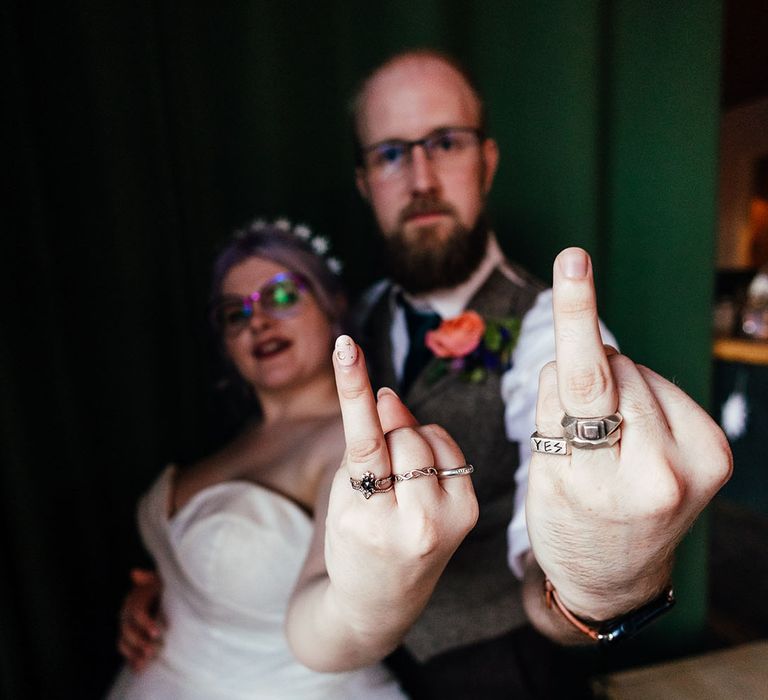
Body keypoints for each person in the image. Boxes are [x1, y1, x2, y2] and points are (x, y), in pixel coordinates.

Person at [346, 49, 732, 697]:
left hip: (492, 669)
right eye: (390, 153)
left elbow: (550, 554)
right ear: (364, 184)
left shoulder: (547, 329)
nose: (421, 177)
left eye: (446, 142)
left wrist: (594, 584)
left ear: (487, 162)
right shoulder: (354, 315)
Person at [109, 219, 460, 699]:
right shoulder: (232, 437)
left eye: (280, 296)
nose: (257, 321)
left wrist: (366, 611)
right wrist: (157, 591)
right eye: (235, 314)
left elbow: (328, 613)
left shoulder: (351, 445)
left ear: (333, 302)